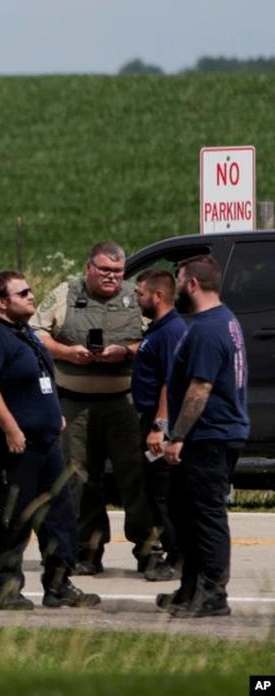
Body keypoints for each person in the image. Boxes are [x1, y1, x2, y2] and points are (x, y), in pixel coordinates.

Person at [0, 269, 100, 610]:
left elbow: (38, 377)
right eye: (23, 293)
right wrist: (11, 429)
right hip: (12, 447)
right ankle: (8, 589)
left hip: (46, 443)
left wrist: (54, 414)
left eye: (29, 291)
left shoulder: (24, 333)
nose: (31, 296)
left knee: (59, 516)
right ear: (1, 302)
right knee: (11, 519)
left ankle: (58, 585)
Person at [30, 241, 155, 575]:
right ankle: (88, 551)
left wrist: (126, 351)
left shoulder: (135, 296)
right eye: (105, 270)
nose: (112, 277)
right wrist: (67, 353)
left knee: (135, 478)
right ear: (88, 268)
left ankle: (148, 552)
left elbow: (159, 336)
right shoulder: (65, 294)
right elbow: (35, 332)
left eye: (117, 271)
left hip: (124, 404)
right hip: (74, 404)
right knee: (80, 479)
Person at [159, 254, 248, 618]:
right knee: (186, 513)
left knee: (206, 515)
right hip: (209, 434)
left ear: (192, 284)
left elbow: (200, 388)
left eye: (178, 280)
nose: (175, 288)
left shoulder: (209, 329)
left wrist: (177, 434)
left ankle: (212, 595)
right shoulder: (219, 320)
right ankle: (190, 589)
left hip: (209, 437)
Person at [131, 270, 187, 582]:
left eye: (140, 294)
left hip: (159, 421)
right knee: (155, 491)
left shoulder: (170, 332)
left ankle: (177, 556)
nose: (137, 299)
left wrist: (159, 428)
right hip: (150, 418)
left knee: (164, 493)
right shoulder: (158, 328)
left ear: (158, 296)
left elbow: (170, 382)